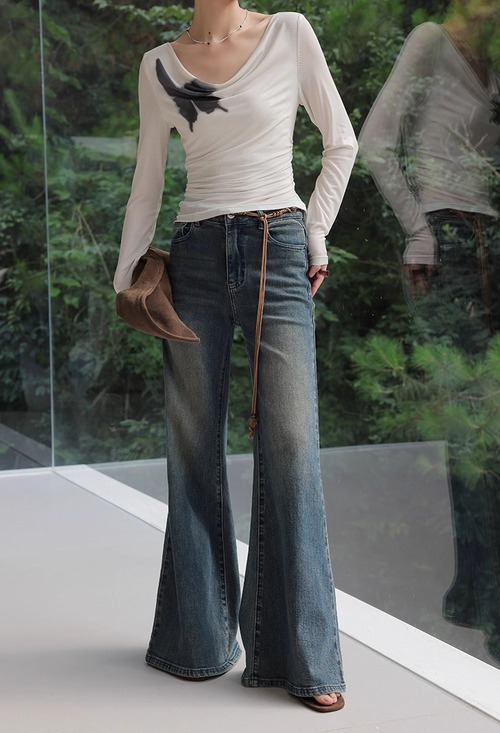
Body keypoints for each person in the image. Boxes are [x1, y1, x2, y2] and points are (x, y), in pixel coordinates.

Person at [114, 0, 357, 711]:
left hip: (278, 246)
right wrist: (127, 279)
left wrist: (315, 234)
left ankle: (304, 660)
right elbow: (148, 182)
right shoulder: (159, 65)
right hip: (193, 256)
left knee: (292, 447)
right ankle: (196, 641)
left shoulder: (288, 32)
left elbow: (341, 141)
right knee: (191, 450)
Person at [359, 0, 500, 663]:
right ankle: (487, 601)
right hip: (446, 243)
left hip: (492, 239)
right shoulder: (429, 41)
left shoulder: (494, 60)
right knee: (476, 422)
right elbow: (374, 141)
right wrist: (418, 230)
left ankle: (475, 592)